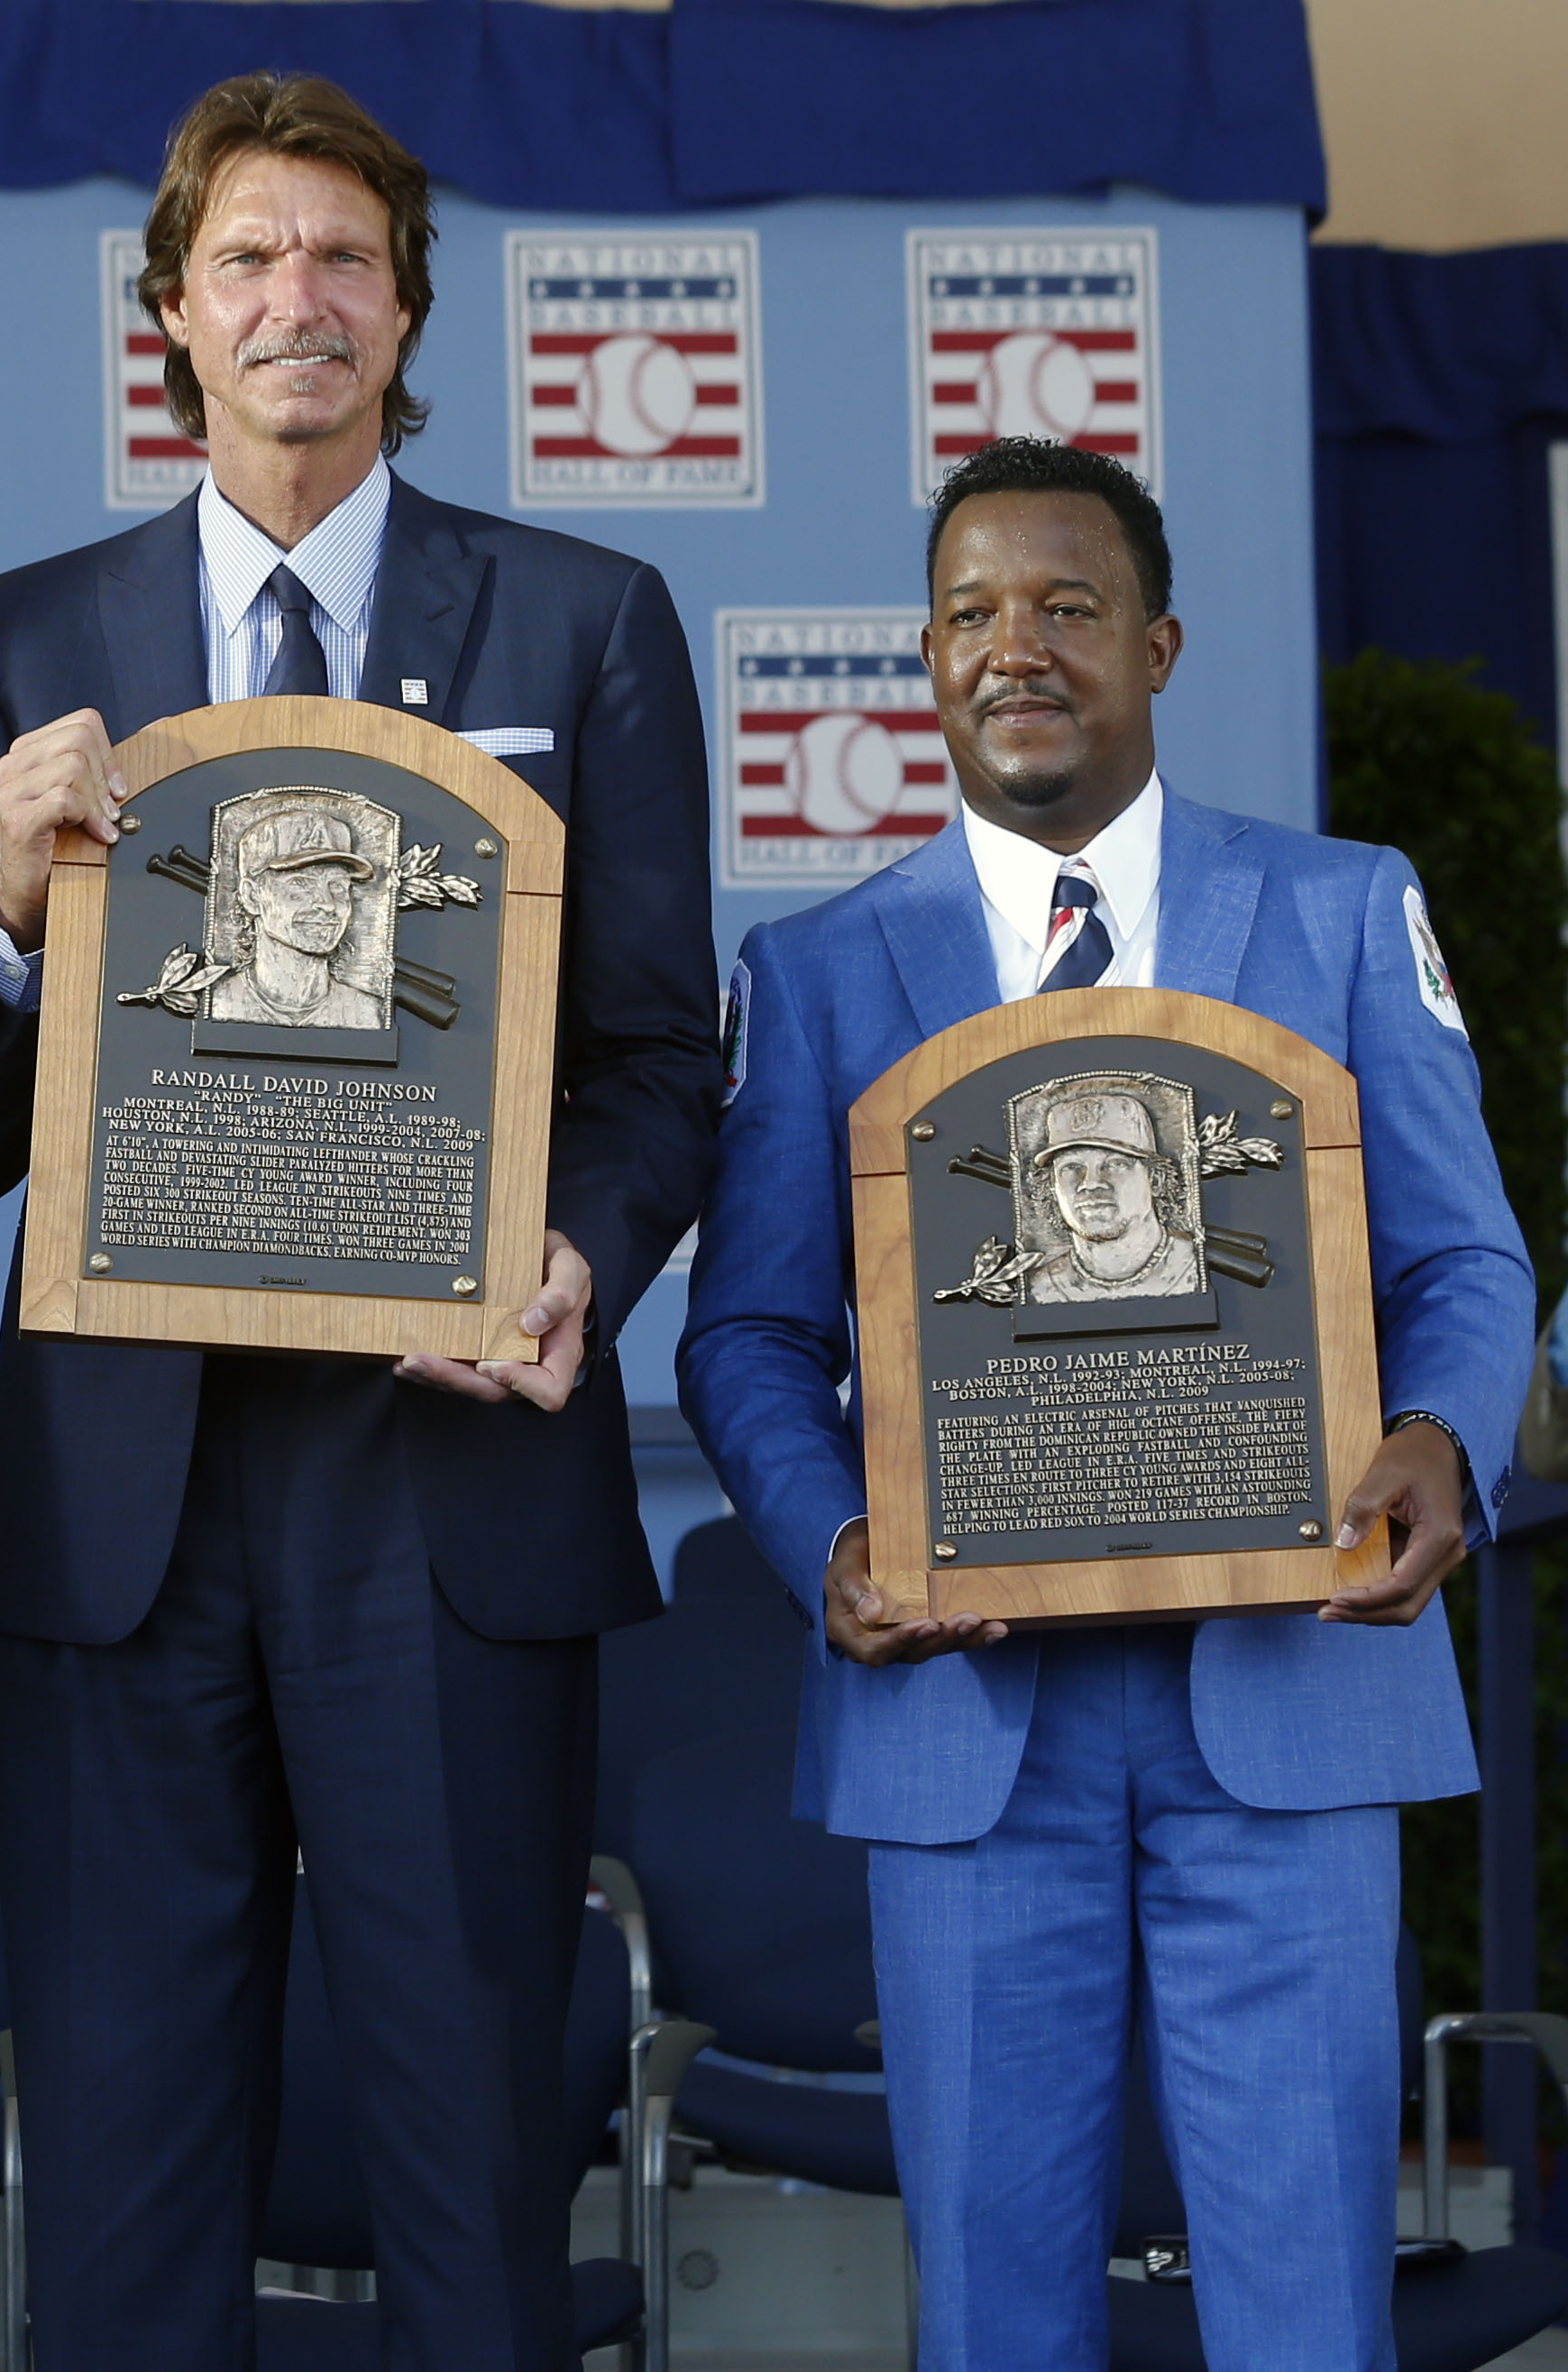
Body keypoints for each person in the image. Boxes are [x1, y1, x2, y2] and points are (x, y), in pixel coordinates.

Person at [0, 71, 718, 2369]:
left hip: (450, 1481)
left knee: (470, 2169)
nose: (296, 301)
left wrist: (577, 1255)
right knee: (129, 2181)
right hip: (130, 1502)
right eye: (246, 259)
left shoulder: (582, 621)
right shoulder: (17, 639)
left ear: (407, 306)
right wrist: (5, 910)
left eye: (343, 258)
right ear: (170, 310)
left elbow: (658, 1059)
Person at [678, 437, 1531, 2369]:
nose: (1017, 646)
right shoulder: (813, 972)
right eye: (973, 612)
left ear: (1154, 642)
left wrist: (1444, 1439)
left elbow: (1464, 1265)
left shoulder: (1336, 908)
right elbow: (740, 1338)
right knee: (993, 2311)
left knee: (1308, 2302)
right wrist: (829, 1540)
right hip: (968, 1713)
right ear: (922, 659)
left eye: (1066, 607)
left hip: (1291, 1679)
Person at [204, 804, 386, 1028]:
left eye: (337, 885)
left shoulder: (368, 1015)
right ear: (251, 896)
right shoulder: (218, 1004)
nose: (327, 904)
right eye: (301, 883)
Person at [1022, 1086, 1206, 1303]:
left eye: (1116, 1164)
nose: (1090, 1184)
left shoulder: (1194, 1267)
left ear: (1156, 1180)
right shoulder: (1041, 1288)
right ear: (1052, 1187)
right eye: (1071, 1167)